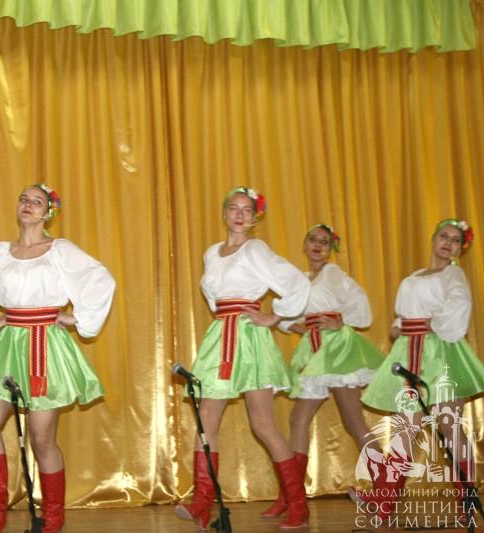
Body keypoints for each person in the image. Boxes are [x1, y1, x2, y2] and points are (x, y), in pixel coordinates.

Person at [0, 184, 115, 533]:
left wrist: (76, 318)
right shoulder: (1, 253)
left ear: (48, 212)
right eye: (24, 199)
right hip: (9, 345)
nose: (28, 204)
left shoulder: (59, 250)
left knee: (41, 438)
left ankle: (53, 515)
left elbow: (100, 279)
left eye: (37, 201)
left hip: (45, 346)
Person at [174, 186, 310, 530]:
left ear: (254, 218)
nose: (239, 214)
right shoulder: (211, 253)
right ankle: (202, 502)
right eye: (233, 208)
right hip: (221, 335)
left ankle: (298, 503)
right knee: (206, 417)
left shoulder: (256, 249)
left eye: (247, 210)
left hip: (248, 338)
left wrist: (273, 316)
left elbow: (296, 283)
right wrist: (225, 318)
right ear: (224, 214)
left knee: (262, 424)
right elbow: (212, 295)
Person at [358, 219, 483, 521]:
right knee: (406, 428)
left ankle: (467, 501)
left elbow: (458, 307)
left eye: (455, 240)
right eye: (444, 236)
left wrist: (429, 323)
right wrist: (400, 326)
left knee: (449, 427)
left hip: (440, 354)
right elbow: (404, 316)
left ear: (460, 249)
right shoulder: (415, 276)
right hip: (411, 352)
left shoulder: (453, 274)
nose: (448, 243)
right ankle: (385, 501)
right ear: (434, 239)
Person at [260, 224, 382, 519]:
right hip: (316, 351)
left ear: (331, 248)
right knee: (298, 419)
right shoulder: (300, 279)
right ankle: (292, 495)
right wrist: (301, 328)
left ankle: (385, 487)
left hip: (338, 350)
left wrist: (341, 322)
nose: (317, 245)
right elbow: (284, 314)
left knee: (353, 420)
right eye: (313, 240)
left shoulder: (334, 274)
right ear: (305, 244)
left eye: (324, 242)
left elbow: (362, 308)